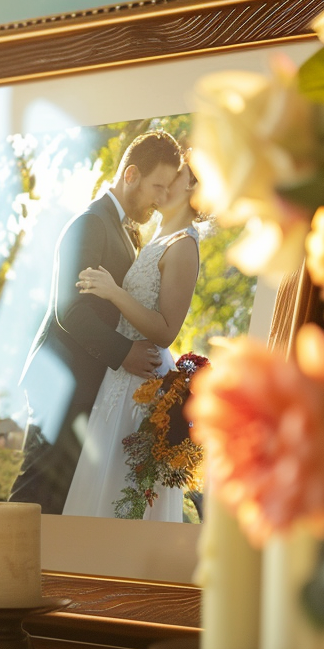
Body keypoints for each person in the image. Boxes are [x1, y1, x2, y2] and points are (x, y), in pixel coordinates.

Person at [8, 131, 182, 514]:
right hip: (62, 385)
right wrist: (124, 354)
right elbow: (69, 309)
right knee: (34, 501)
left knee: (61, 504)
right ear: (131, 175)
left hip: (88, 387)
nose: (161, 199)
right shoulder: (90, 222)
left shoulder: (124, 230)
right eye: (158, 186)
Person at [62, 160, 205, 522]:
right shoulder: (155, 238)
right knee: (101, 485)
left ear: (193, 188)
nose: (167, 181)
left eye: (178, 176)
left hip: (143, 379)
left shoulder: (184, 246)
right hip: (121, 377)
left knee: (126, 491)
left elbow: (167, 329)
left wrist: (113, 292)